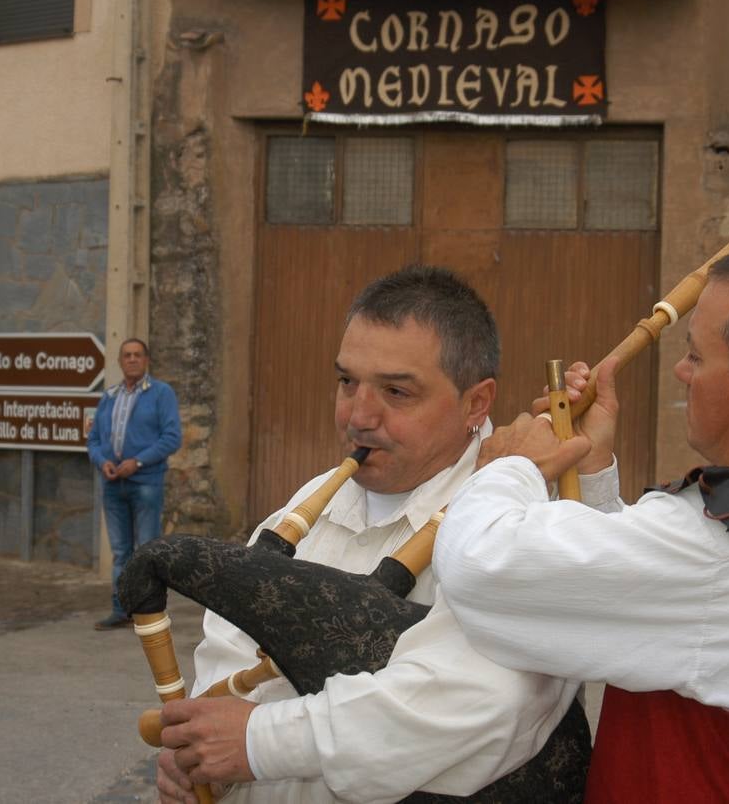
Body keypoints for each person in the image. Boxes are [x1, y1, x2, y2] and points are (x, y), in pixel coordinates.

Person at [434, 244, 729, 803]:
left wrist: (509, 467)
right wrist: (593, 464)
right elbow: (645, 598)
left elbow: (480, 570)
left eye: (696, 357)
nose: (680, 371)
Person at [156, 265, 585, 804]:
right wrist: (201, 751)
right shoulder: (303, 508)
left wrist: (255, 742)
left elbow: (466, 707)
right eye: (347, 382)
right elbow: (228, 653)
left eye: (396, 392)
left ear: (477, 403)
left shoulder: (530, 523)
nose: (358, 416)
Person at [88, 338, 182, 630]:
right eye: (126, 355)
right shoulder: (110, 396)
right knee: (120, 552)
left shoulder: (161, 394)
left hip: (146, 483)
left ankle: (149, 613)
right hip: (113, 485)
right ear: (119, 361)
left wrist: (137, 462)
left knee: (147, 550)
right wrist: (102, 460)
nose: (131, 359)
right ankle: (122, 610)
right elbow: (93, 441)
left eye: (137, 355)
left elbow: (171, 437)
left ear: (146, 360)